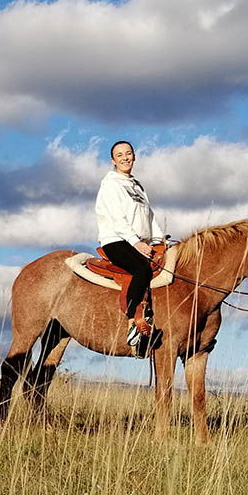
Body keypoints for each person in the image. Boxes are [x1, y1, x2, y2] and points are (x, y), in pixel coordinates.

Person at [95, 140, 166, 353]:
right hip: (116, 240)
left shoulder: (137, 186)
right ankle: (133, 323)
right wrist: (135, 242)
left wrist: (160, 240)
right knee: (141, 269)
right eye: (120, 155)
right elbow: (117, 219)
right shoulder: (110, 184)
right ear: (113, 160)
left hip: (140, 242)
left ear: (134, 156)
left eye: (128, 153)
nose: (125, 158)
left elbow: (149, 216)